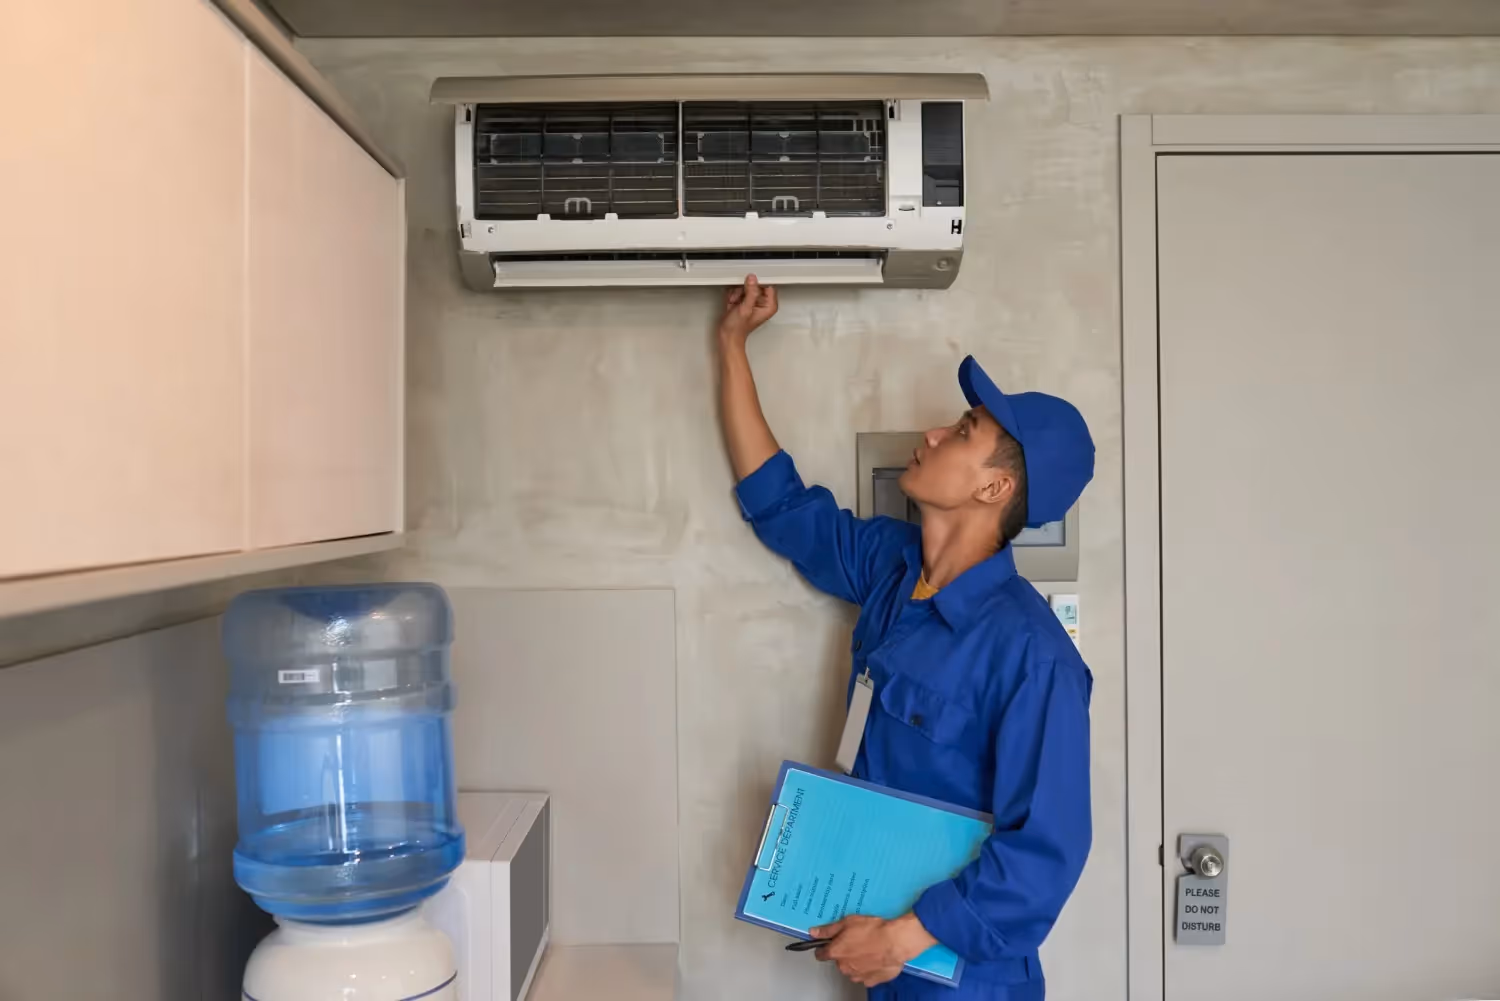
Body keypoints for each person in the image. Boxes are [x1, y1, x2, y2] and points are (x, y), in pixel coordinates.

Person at [716, 277, 1094, 1001]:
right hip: (885, 964)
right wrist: (732, 346)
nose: (930, 435)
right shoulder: (893, 566)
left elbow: (1045, 854)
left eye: (961, 434)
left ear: (994, 490)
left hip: (963, 978)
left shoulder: (1033, 656)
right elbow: (780, 506)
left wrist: (898, 938)